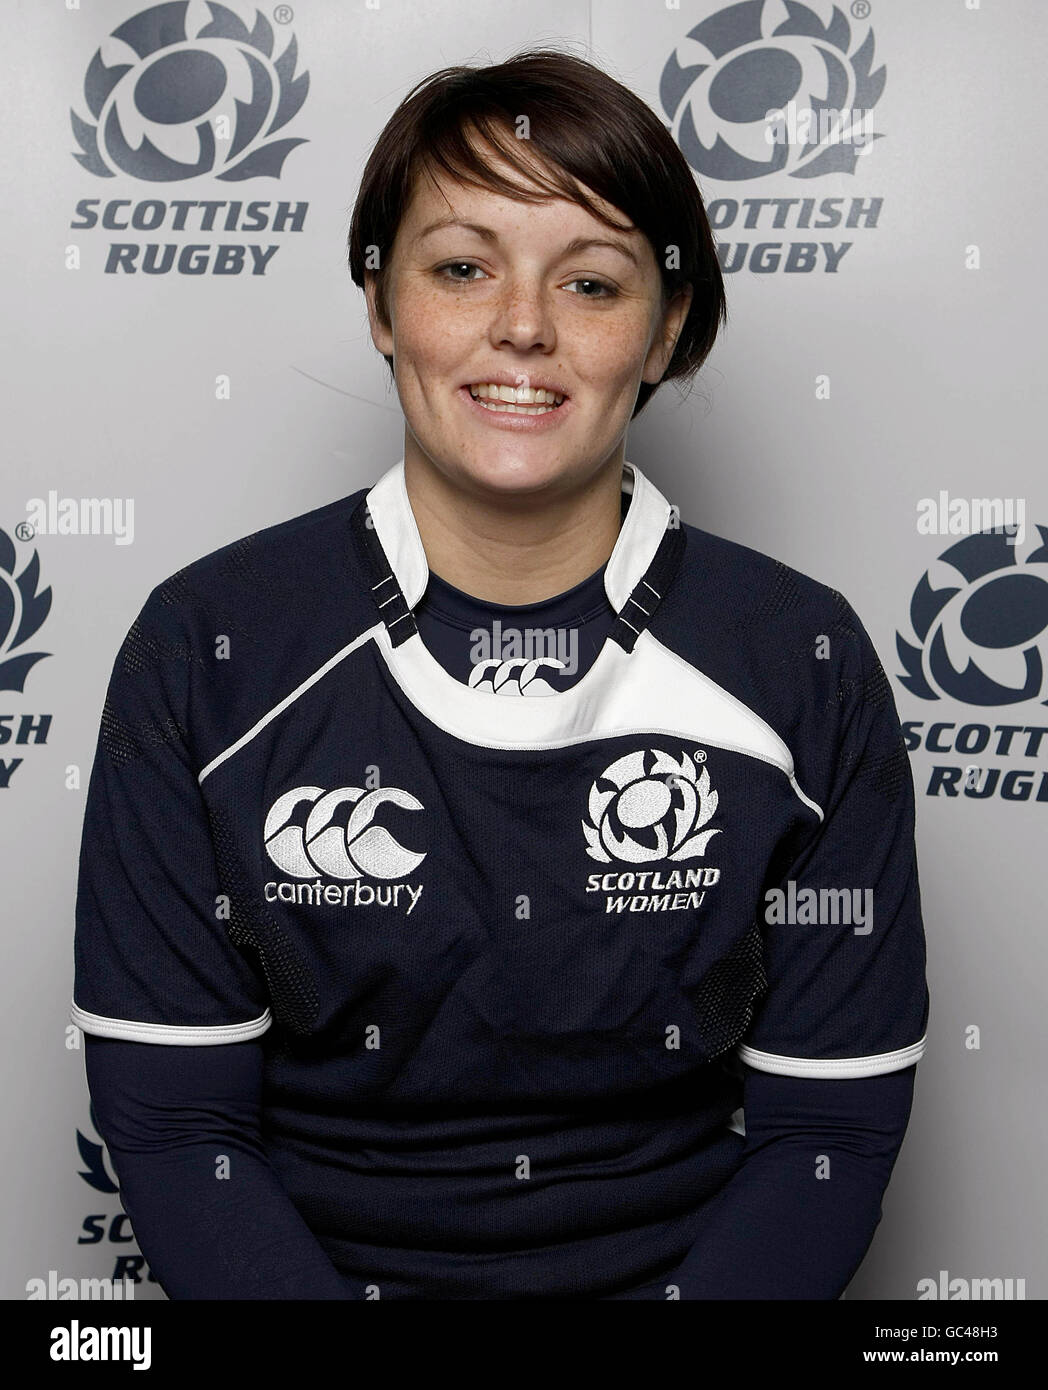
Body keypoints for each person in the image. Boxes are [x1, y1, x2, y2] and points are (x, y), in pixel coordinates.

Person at [71, 49, 928, 1300]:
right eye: (462, 267)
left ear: (664, 327)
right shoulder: (206, 646)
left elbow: (827, 1137)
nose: (522, 326)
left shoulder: (800, 660)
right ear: (380, 301)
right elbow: (175, 1129)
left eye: (590, 282)